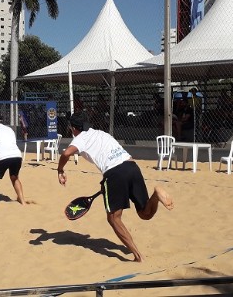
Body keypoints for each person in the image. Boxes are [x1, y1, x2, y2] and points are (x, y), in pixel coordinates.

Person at [57, 112, 174, 262]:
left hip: (114, 174)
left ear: (73, 128)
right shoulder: (100, 133)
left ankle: (138, 256)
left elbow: (66, 153)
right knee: (145, 213)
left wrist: (60, 170)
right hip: (132, 166)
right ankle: (156, 195)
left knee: (113, 218)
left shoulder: (80, 138)